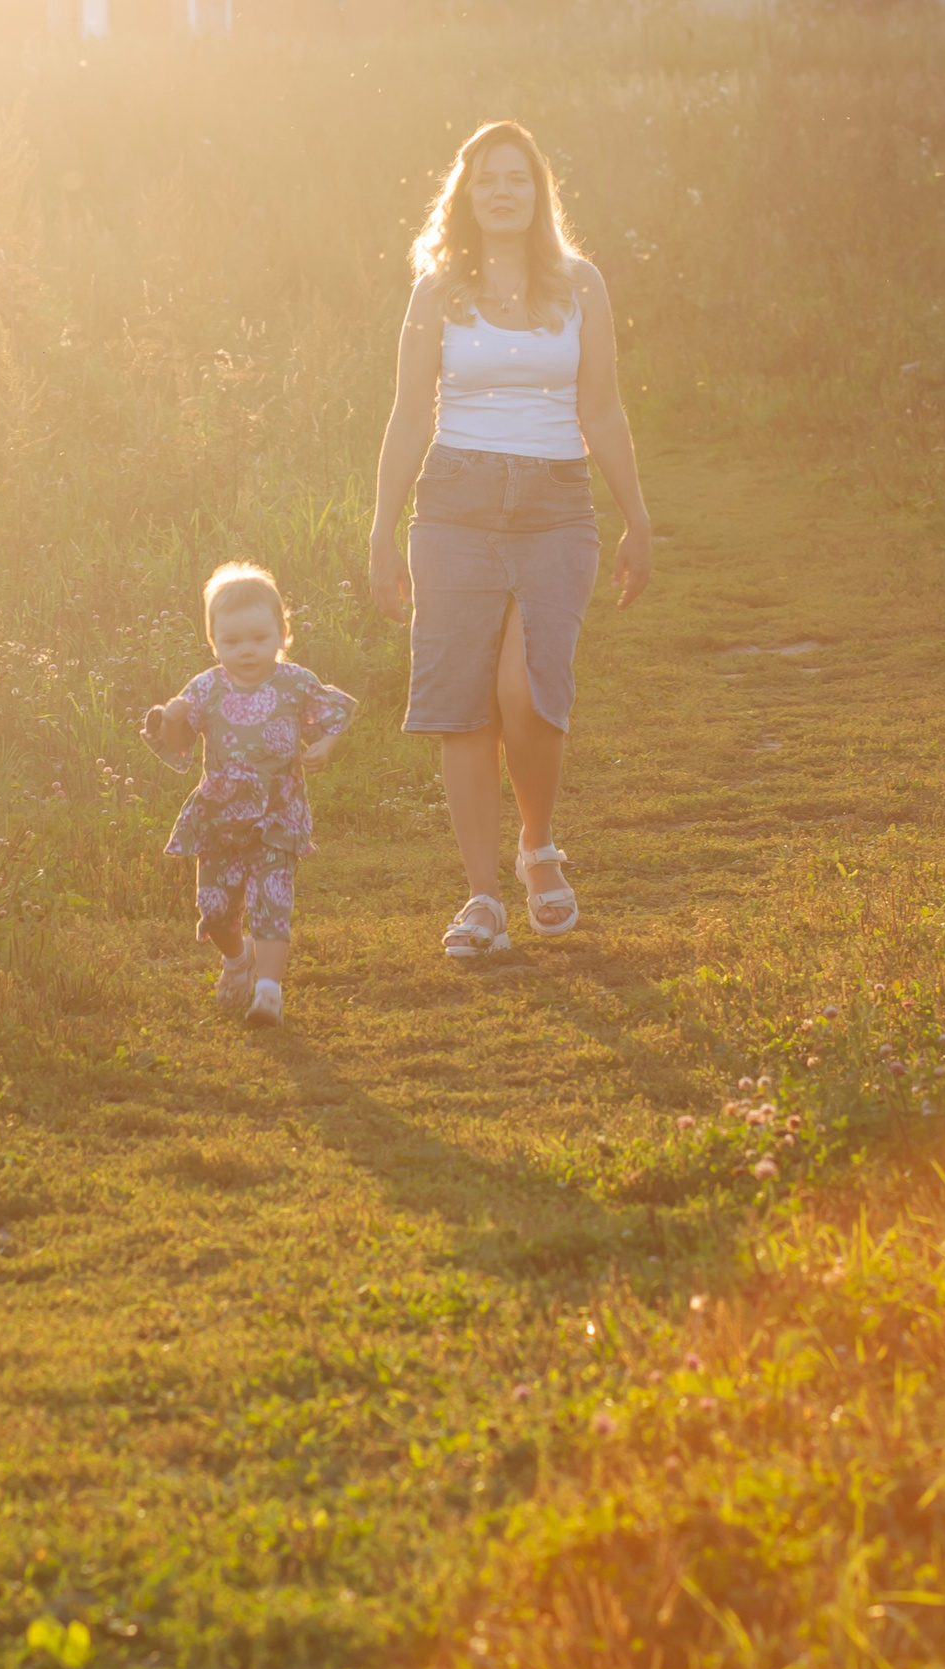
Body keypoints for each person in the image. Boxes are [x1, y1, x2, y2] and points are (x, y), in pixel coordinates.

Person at [365, 119, 654, 959]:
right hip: (453, 505)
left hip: (556, 506)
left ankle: (538, 845)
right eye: (487, 178)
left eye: (517, 179)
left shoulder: (581, 285)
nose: (502, 190)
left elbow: (600, 407)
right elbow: (409, 415)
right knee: (463, 705)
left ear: (538, 195)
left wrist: (637, 517)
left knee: (528, 691)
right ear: (465, 193)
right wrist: (381, 533)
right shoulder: (436, 292)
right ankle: (483, 899)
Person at [142, 564, 357, 1028]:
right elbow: (177, 734)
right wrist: (172, 715)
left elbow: (333, 711)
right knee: (216, 911)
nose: (246, 651)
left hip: (278, 814)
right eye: (233, 641)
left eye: (259, 638)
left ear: (282, 634)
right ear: (214, 642)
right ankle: (239, 960)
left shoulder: (294, 683)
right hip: (220, 817)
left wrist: (323, 744)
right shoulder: (206, 688)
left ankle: (269, 991)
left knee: (271, 900)